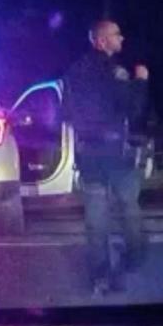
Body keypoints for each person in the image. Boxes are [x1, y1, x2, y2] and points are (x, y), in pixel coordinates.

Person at [62, 20, 149, 293]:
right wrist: (141, 81)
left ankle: (99, 275)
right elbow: (133, 109)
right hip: (114, 154)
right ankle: (134, 260)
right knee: (128, 208)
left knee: (96, 217)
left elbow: (65, 112)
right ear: (101, 42)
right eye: (116, 35)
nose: (121, 39)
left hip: (89, 154)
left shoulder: (73, 72)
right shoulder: (116, 72)